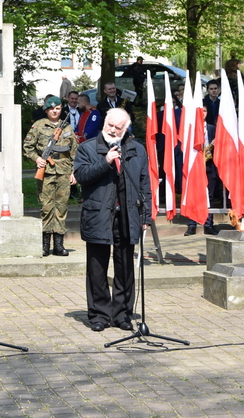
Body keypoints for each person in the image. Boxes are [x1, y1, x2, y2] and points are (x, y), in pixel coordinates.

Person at [73, 108, 151, 332]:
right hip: (98, 214)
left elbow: (144, 183)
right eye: (110, 125)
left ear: (126, 129)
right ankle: (99, 314)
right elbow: (81, 176)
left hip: (127, 213)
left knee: (125, 267)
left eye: (119, 127)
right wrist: (106, 161)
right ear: (104, 122)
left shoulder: (137, 149)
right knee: (97, 268)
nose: (113, 130)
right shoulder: (87, 148)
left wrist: (146, 215)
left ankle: (122, 314)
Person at [23, 96, 79, 257]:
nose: (55, 111)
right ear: (46, 110)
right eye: (51, 108)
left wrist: (74, 171)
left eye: (58, 108)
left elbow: (74, 150)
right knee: (47, 207)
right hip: (46, 172)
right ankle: (45, 245)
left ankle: (59, 245)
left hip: (63, 171)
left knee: (61, 207)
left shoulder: (67, 127)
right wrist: (37, 159)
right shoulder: (39, 126)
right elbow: (28, 146)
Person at [184, 107, 219, 236]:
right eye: (200, 111)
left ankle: (208, 224)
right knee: (194, 195)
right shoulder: (191, 128)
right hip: (195, 166)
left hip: (209, 165)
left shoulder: (212, 128)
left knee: (209, 196)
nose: (202, 113)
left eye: (204, 111)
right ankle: (192, 224)